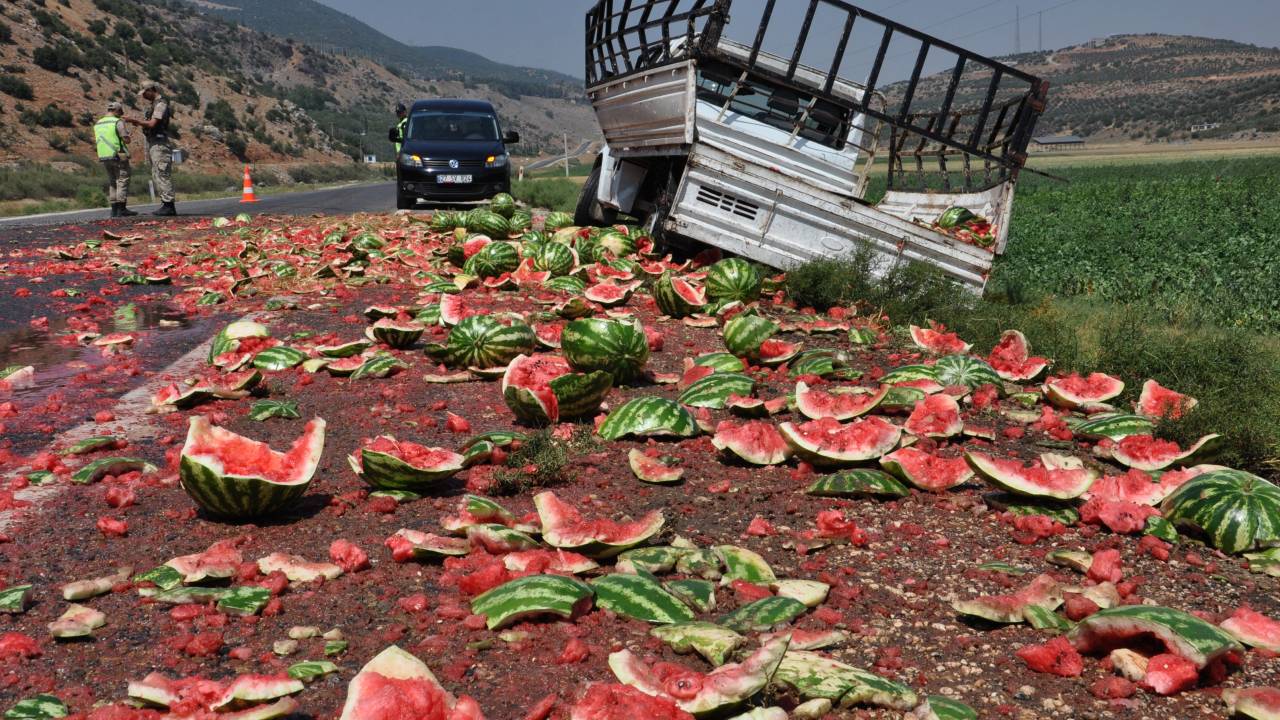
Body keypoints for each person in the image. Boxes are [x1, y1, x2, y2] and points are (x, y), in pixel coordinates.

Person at [126, 80, 176, 216]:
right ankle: (165, 204)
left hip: (160, 143)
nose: (144, 96)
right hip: (154, 142)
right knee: (156, 173)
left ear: (152, 90)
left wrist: (135, 121)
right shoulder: (154, 105)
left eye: (145, 93)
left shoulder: (160, 104)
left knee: (162, 172)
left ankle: (169, 205)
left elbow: (153, 124)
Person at [94, 101, 137, 218]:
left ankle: (113, 210)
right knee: (122, 180)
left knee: (112, 182)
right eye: (120, 112)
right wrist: (128, 137)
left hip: (104, 156)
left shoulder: (98, 123)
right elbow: (125, 139)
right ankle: (122, 209)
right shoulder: (117, 122)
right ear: (117, 111)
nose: (120, 114)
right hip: (118, 155)